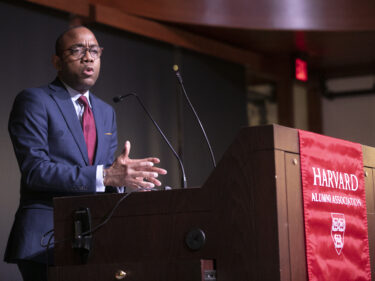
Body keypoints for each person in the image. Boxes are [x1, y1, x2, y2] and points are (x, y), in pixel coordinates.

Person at [4, 26, 167, 281]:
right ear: (57, 61)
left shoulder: (105, 112)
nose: (88, 57)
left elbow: (102, 179)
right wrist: (108, 176)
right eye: (77, 50)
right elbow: (36, 171)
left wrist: (125, 183)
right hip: (46, 240)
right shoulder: (34, 100)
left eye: (94, 51)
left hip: (94, 241)